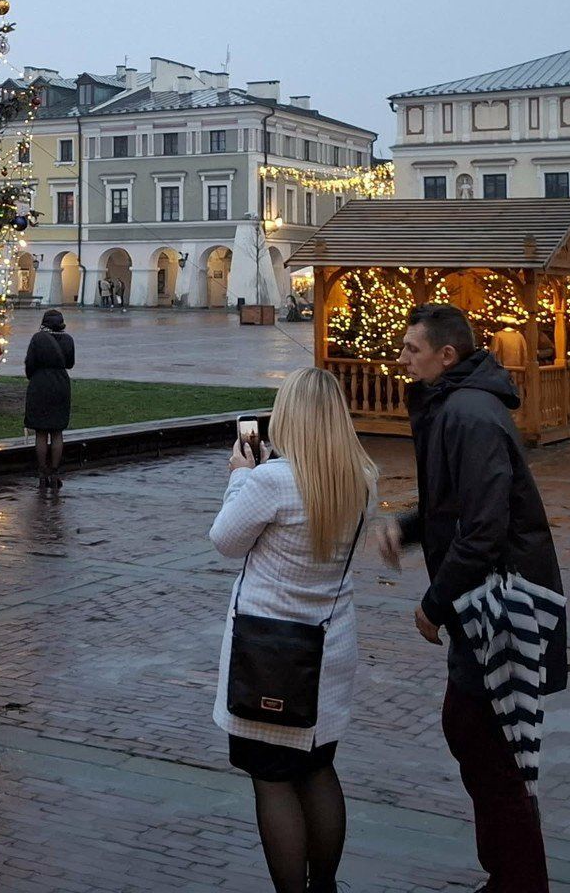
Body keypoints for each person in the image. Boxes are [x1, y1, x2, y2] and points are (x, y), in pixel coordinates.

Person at [373, 304, 566, 893]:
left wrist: (434, 604)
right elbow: (454, 505)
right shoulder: (455, 406)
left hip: (498, 607)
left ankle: (519, 882)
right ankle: (509, 876)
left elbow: (484, 528)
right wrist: (408, 529)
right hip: (484, 604)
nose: (401, 358)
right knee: (482, 740)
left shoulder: (469, 414)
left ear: (446, 356)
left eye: (411, 349)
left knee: (487, 744)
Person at [210, 367, 376, 893]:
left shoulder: (271, 481)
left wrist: (239, 474)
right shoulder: (361, 477)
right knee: (317, 767)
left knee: (273, 778)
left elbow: (225, 541)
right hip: (328, 646)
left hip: (269, 652)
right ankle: (324, 885)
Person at [24, 308, 75, 489]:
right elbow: (70, 363)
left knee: (40, 432)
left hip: (40, 384)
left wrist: (35, 376)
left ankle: (41, 473)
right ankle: (54, 473)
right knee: (57, 431)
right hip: (61, 384)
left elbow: (30, 363)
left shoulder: (37, 339)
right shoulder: (68, 340)